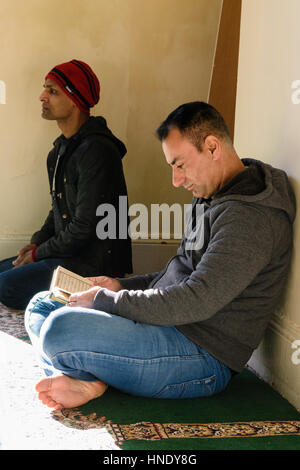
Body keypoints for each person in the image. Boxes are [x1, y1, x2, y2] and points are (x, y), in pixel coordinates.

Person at [24, 101, 296, 410]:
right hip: (166, 325)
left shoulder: (250, 218)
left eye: (179, 165)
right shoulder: (213, 194)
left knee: (61, 328)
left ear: (211, 147)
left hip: (200, 356)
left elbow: (196, 299)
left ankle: (84, 375)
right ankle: (83, 379)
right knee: (43, 304)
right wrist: (119, 287)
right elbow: (177, 274)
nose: (176, 181)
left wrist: (103, 301)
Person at [0, 60, 132, 310]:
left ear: (75, 100)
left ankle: (93, 299)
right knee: (3, 274)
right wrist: (37, 243)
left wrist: (39, 255)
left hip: (93, 263)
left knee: (6, 286)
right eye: (45, 89)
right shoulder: (59, 151)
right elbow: (58, 210)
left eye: (53, 91)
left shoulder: (97, 150)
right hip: (67, 255)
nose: (42, 96)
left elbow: (84, 227)